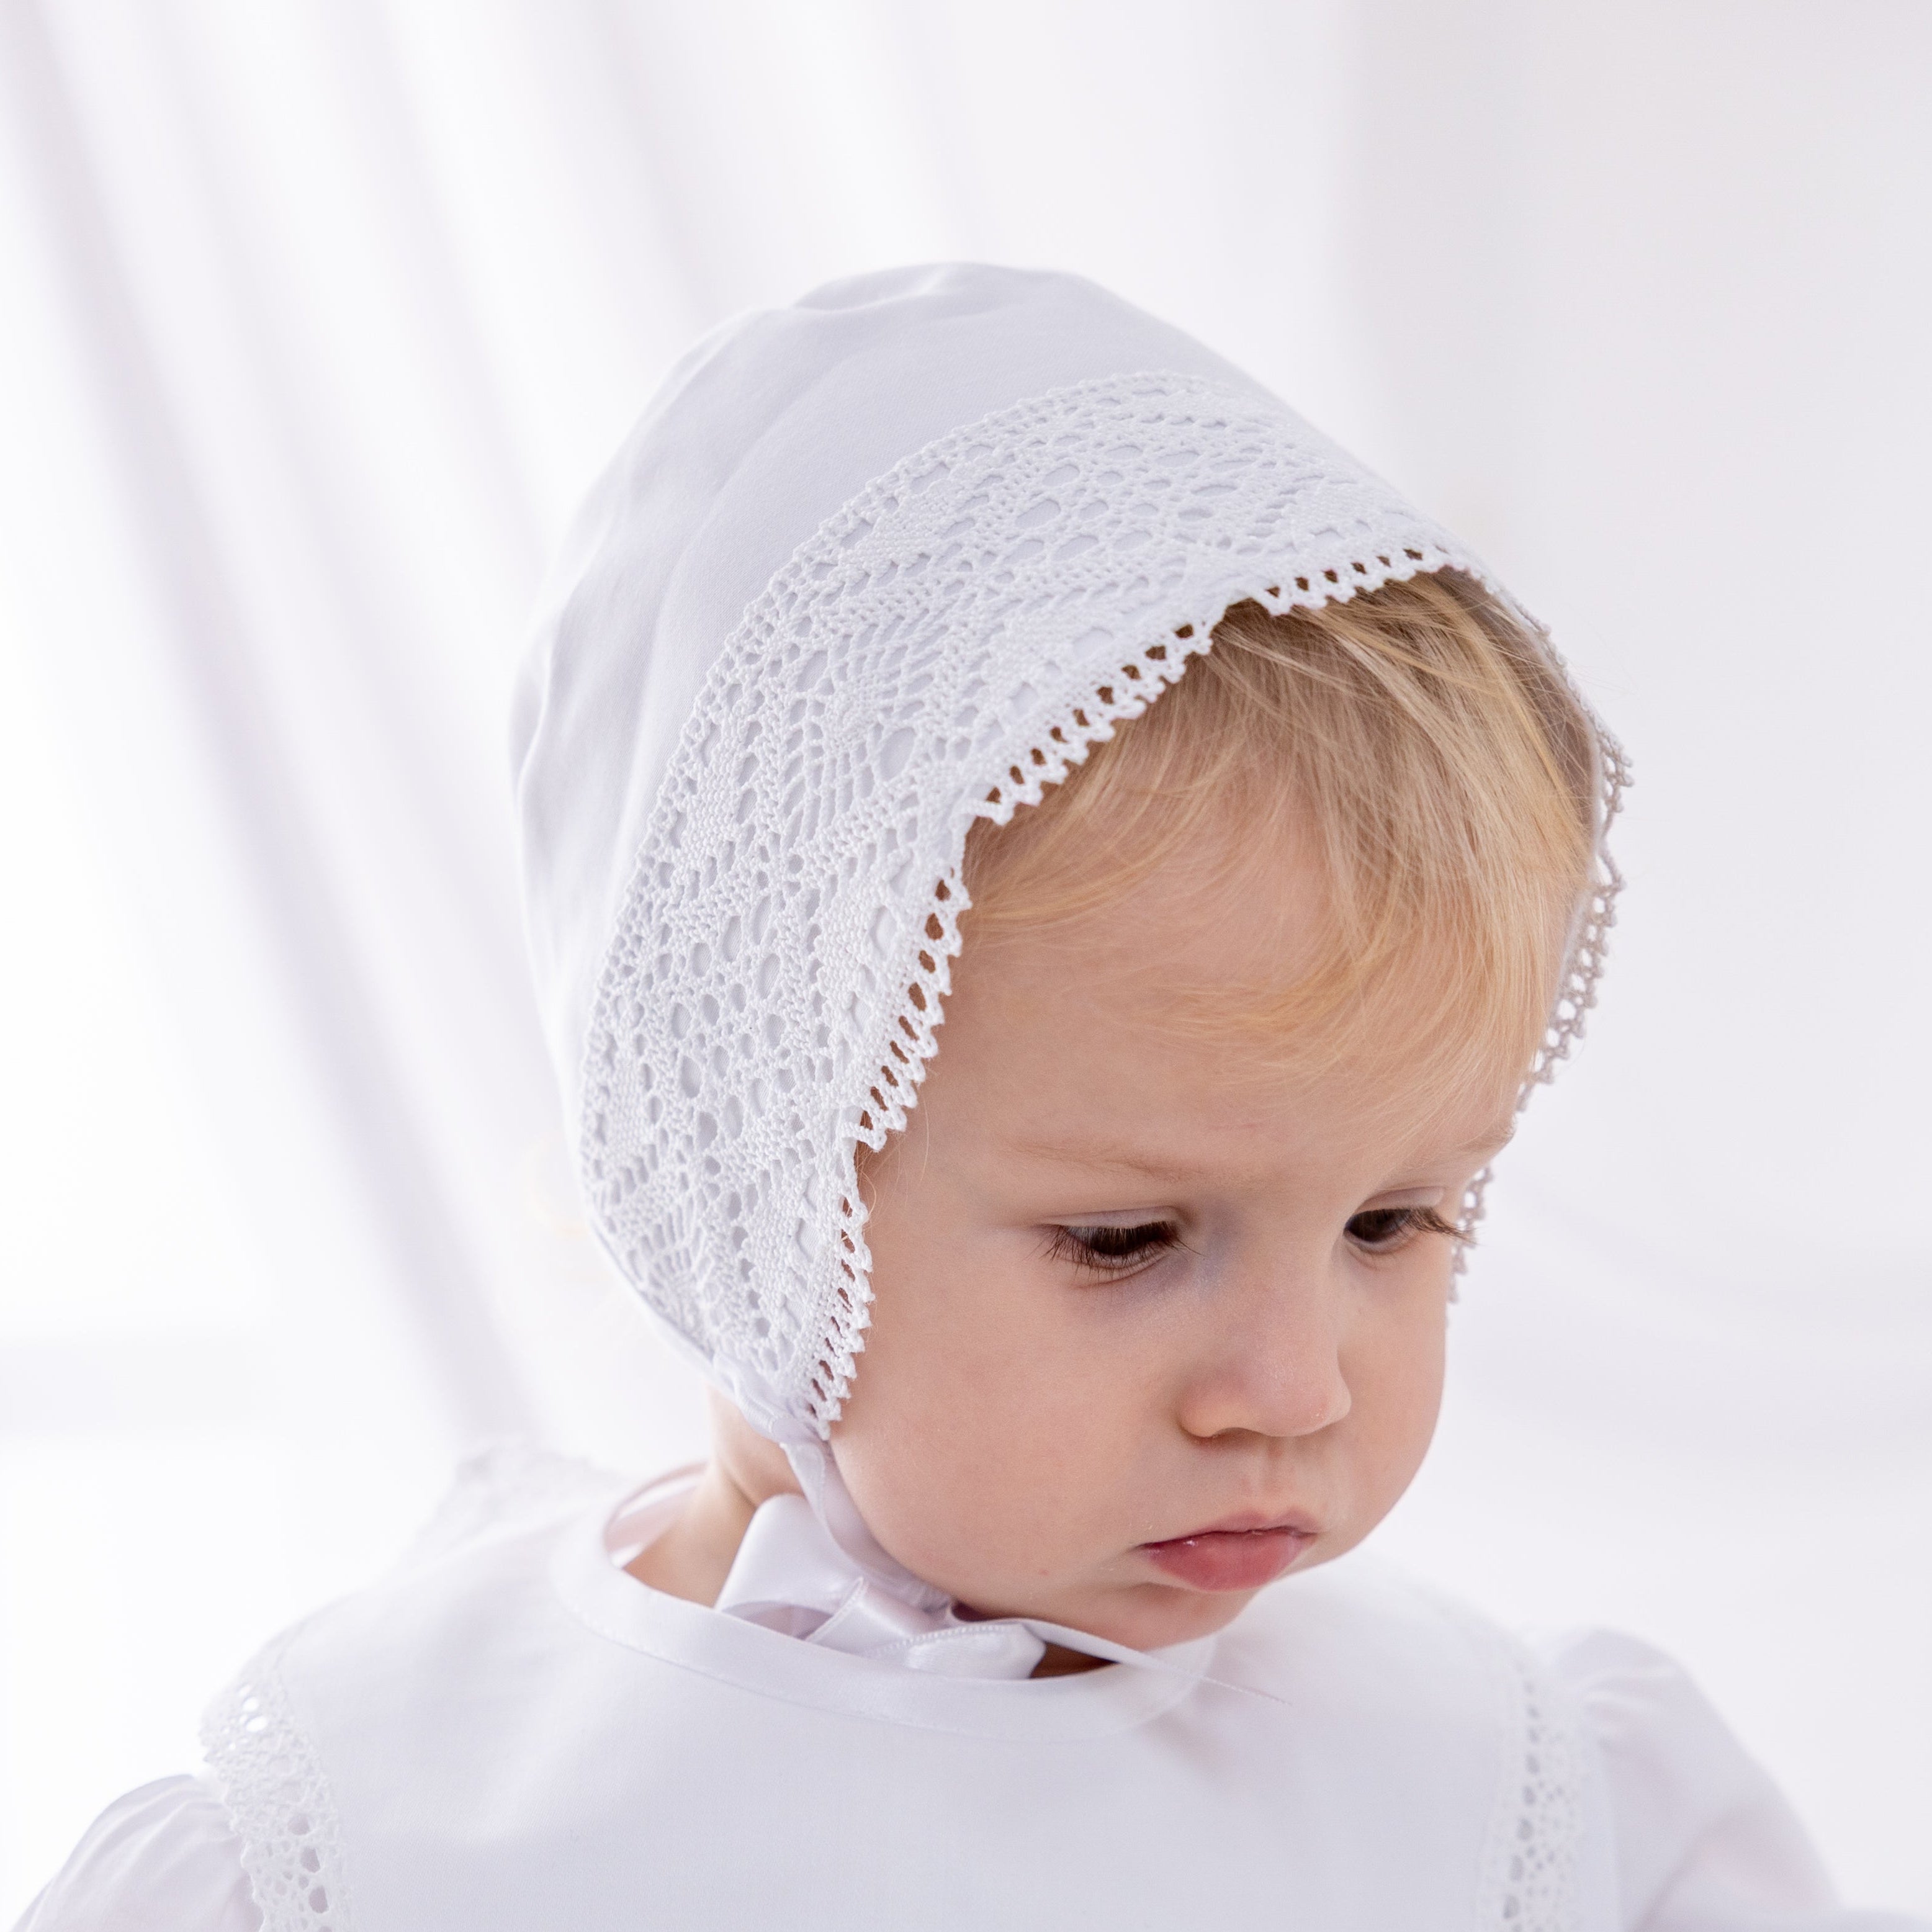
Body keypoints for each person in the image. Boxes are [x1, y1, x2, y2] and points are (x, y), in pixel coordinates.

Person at [20, 265, 1921, 1931]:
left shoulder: (1522, 1806)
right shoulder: (383, 1839)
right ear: (744, 1173)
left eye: (1394, 1221)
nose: (1296, 1385)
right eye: (1126, 1237)